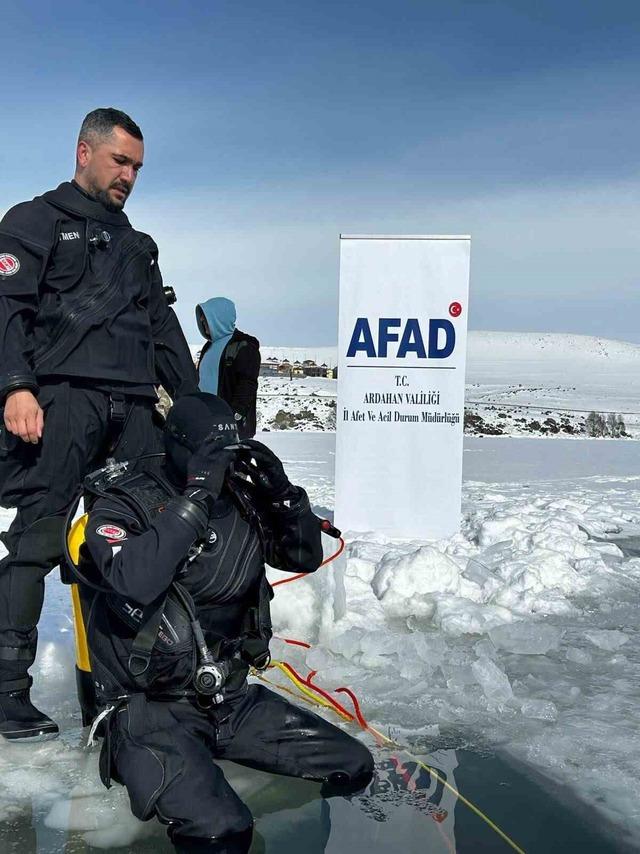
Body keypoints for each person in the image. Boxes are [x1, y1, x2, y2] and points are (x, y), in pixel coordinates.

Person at [77, 392, 374, 854]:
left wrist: (284, 496)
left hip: (230, 698)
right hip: (151, 709)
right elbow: (132, 578)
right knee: (222, 830)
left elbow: (303, 556)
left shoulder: (242, 497)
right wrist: (194, 498)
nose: (222, 466)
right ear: (177, 445)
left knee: (354, 765)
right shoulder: (125, 502)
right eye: (210, 454)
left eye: (229, 452)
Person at [0, 108, 198, 740]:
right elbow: (6, 312)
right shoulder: (32, 223)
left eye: (137, 167)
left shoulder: (138, 247)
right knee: (38, 540)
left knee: (136, 545)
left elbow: (161, 331)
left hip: (134, 410)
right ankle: (6, 691)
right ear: (84, 152)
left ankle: (131, 681)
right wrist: (16, 387)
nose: (129, 177)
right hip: (61, 404)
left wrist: (195, 408)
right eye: (120, 162)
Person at [196, 298, 260, 438]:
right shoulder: (208, 347)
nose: (201, 320)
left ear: (218, 318)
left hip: (231, 428)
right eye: (201, 319)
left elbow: (247, 384)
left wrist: (235, 415)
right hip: (206, 424)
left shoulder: (243, 345)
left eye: (205, 318)